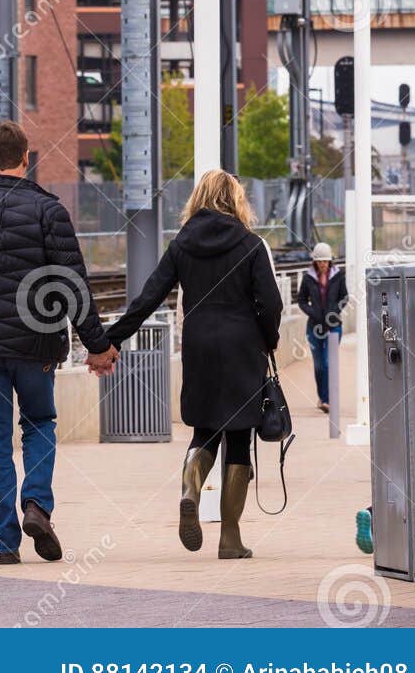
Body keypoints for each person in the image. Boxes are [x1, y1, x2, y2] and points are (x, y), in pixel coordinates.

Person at [0, 120, 118, 566]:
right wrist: (96, 344)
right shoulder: (48, 211)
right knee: (38, 424)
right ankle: (36, 504)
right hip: (37, 344)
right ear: (26, 157)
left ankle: (4, 543)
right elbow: (72, 281)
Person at [105, 170, 282, 561]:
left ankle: (190, 485)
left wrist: (110, 340)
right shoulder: (250, 245)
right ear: (236, 200)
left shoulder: (182, 244)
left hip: (199, 344)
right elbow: (271, 303)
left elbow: (149, 297)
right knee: (238, 439)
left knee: (205, 428)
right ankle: (230, 539)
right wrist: (268, 338)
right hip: (241, 346)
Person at [296, 240, 348, 413]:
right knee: (319, 365)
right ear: (315, 262)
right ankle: (322, 398)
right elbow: (301, 300)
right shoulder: (308, 277)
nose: (322, 264)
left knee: (328, 363)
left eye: (325, 261)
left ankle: (328, 400)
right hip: (314, 328)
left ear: (330, 261)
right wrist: (313, 312)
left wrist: (334, 311)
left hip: (334, 326)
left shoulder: (339, 276)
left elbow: (345, 297)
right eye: (319, 261)